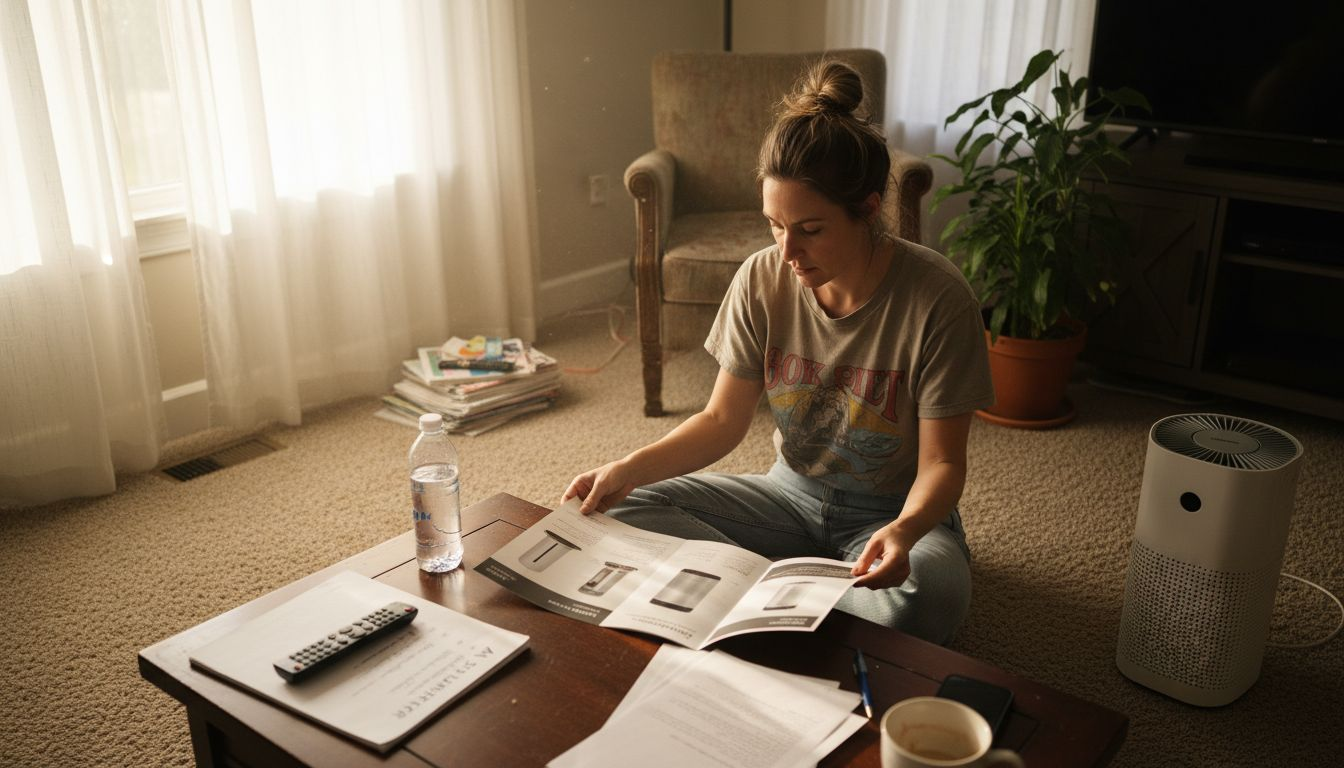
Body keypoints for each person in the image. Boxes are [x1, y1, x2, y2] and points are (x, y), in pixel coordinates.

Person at [563, 60, 994, 645]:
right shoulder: (760, 278)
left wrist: (907, 530)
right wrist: (627, 469)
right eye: (774, 225)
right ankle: (796, 598)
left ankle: (757, 593)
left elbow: (943, 463)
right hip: (787, 497)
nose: (788, 252)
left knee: (925, 600)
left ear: (869, 209)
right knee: (619, 509)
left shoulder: (938, 298)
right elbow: (721, 420)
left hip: (892, 512)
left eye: (810, 230)